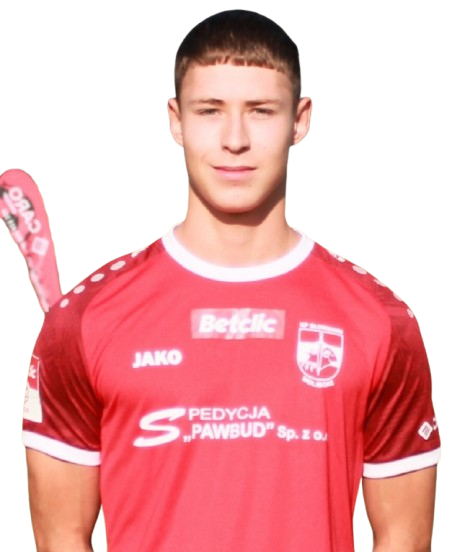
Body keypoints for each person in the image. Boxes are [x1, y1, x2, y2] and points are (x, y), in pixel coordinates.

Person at [22, 9, 441, 552]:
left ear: (301, 120)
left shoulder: (380, 322)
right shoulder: (84, 320)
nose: (235, 139)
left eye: (261, 111)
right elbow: (61, 537)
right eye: (210, 111)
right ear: (175, 121)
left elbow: (404, 539)